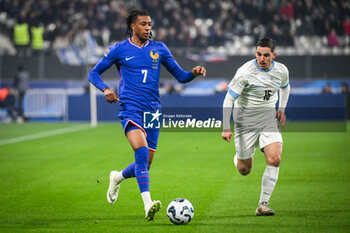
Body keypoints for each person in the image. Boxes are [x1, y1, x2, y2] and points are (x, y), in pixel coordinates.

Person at [88, 9, 206, 221]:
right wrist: (105, 89)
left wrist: (193, 74)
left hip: (153, 111)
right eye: (143, 24)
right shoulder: (119, 50)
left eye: (149, 24)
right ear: (133, 26)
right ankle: (147, 204)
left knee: (145, 164)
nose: (148, 28)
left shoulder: (159, 48)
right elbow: (93, 73)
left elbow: (180, 76)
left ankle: (117, 177)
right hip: (130, 109)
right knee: (141, 153)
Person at [222, 37, 290, 216]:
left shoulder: (282, 71)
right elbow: (229, 98)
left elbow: (285, 87)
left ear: (273, 55)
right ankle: (239, 157)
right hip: (245, 122)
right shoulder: (245, 72)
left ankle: (263, 204)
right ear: (255, 53)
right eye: (259, 54)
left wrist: (281, 108)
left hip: (268, 119)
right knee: (245, 170)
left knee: (275, 159)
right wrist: (225, 126)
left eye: (266, 55)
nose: (261, 58)